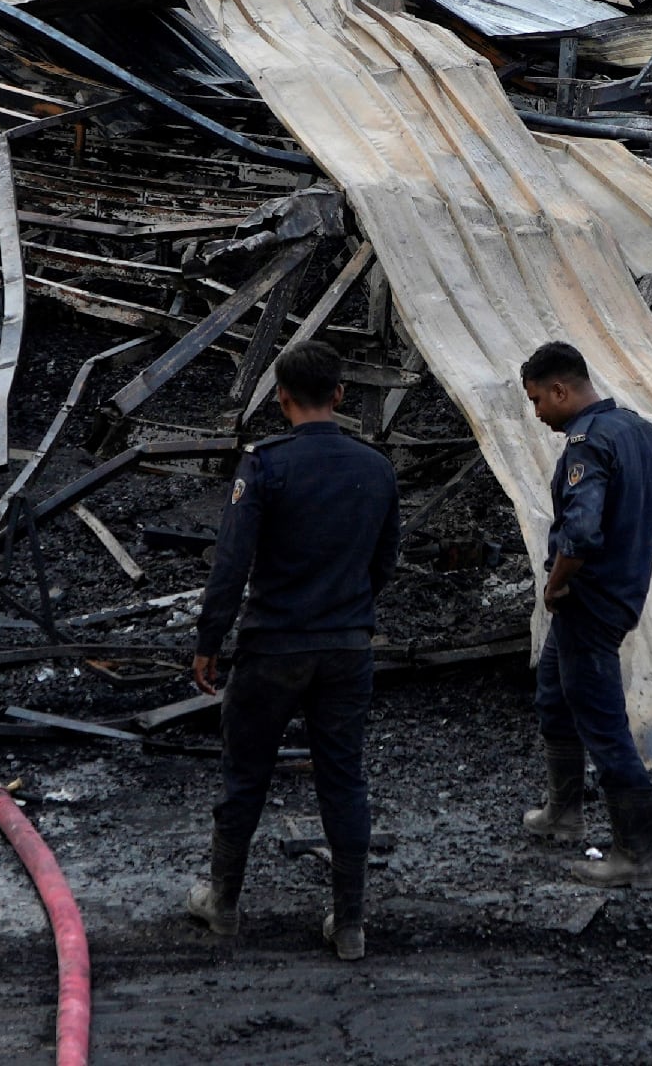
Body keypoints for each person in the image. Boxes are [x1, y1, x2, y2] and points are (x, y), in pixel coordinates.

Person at [186, 339, 398, 959]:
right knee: (343, 779)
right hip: (346, 647)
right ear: (338, 394)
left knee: (245, 775)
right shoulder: (376, 467)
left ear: (281, 398)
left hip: (273, 647)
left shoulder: (266, 464)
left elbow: (232, 563)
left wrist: (208, 639)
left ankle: (223, 904)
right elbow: (385, 560)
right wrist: (348, 605)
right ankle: (351, 923)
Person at [515, 341, 652, 889]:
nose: (537, 414)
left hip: (590, 600)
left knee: (604, 727)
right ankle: (564, 813)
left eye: (537, 401)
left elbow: (581, 532)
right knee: (555, 696)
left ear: (561, 390)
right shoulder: (642, 431)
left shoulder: (589, 442)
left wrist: (556, 586)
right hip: (624, 588)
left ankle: (635, 856)